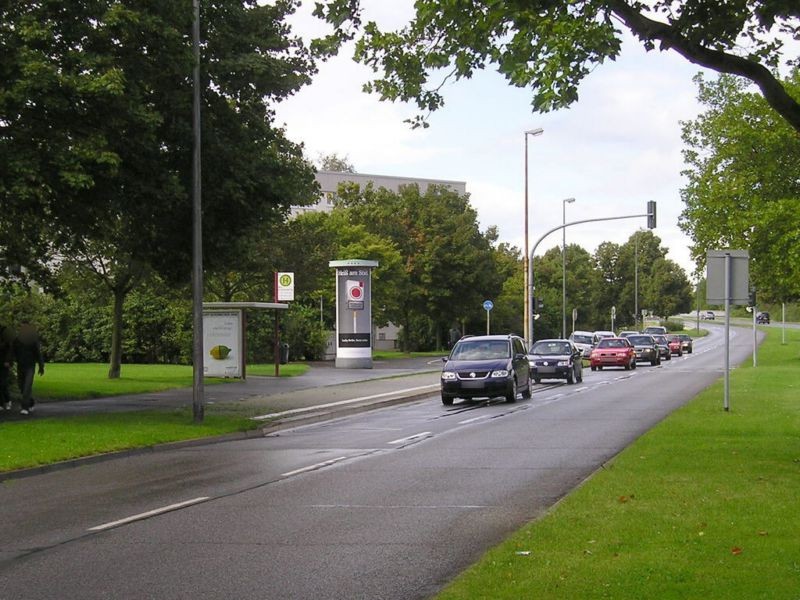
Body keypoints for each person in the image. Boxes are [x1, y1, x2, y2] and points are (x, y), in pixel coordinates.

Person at [13, 321, 45, 416]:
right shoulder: (17, 340)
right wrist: (9, 361)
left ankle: (24, 407)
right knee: (22, 387)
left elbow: (38, 353)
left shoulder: (32, 340)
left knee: (27, 386)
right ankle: (30, 401)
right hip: (20, 366)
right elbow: (12, 351)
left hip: (30, 366)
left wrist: (41, 366)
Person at [0, 324, 12, 411]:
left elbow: (10, 350)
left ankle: (7, 400)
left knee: (3, 384)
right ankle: (1, 403)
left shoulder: (6, 336)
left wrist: (7, 361)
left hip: (4, 363)